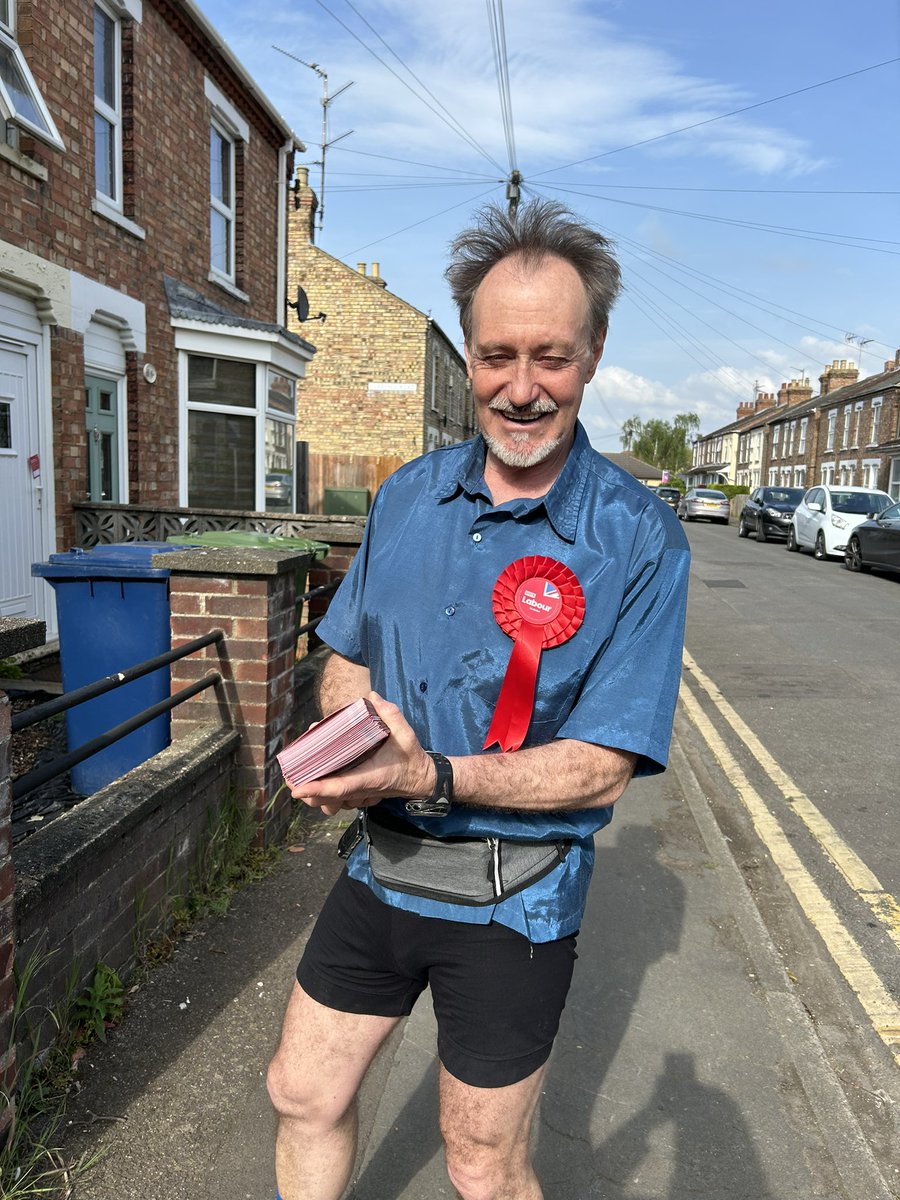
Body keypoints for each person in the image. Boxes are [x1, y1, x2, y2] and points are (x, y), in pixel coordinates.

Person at [267, 199, 690, 1200]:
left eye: (552, 355)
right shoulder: (408, 495)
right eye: (499, 354)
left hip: (515, 899)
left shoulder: (636, 539)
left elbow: (601, 769)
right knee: (301, 1095)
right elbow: (351, 656)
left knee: (483, 1162)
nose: (524, 387)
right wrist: (348, 738)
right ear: (468, 351)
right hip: (379, 870)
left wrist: (428, 772)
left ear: (593, 352)